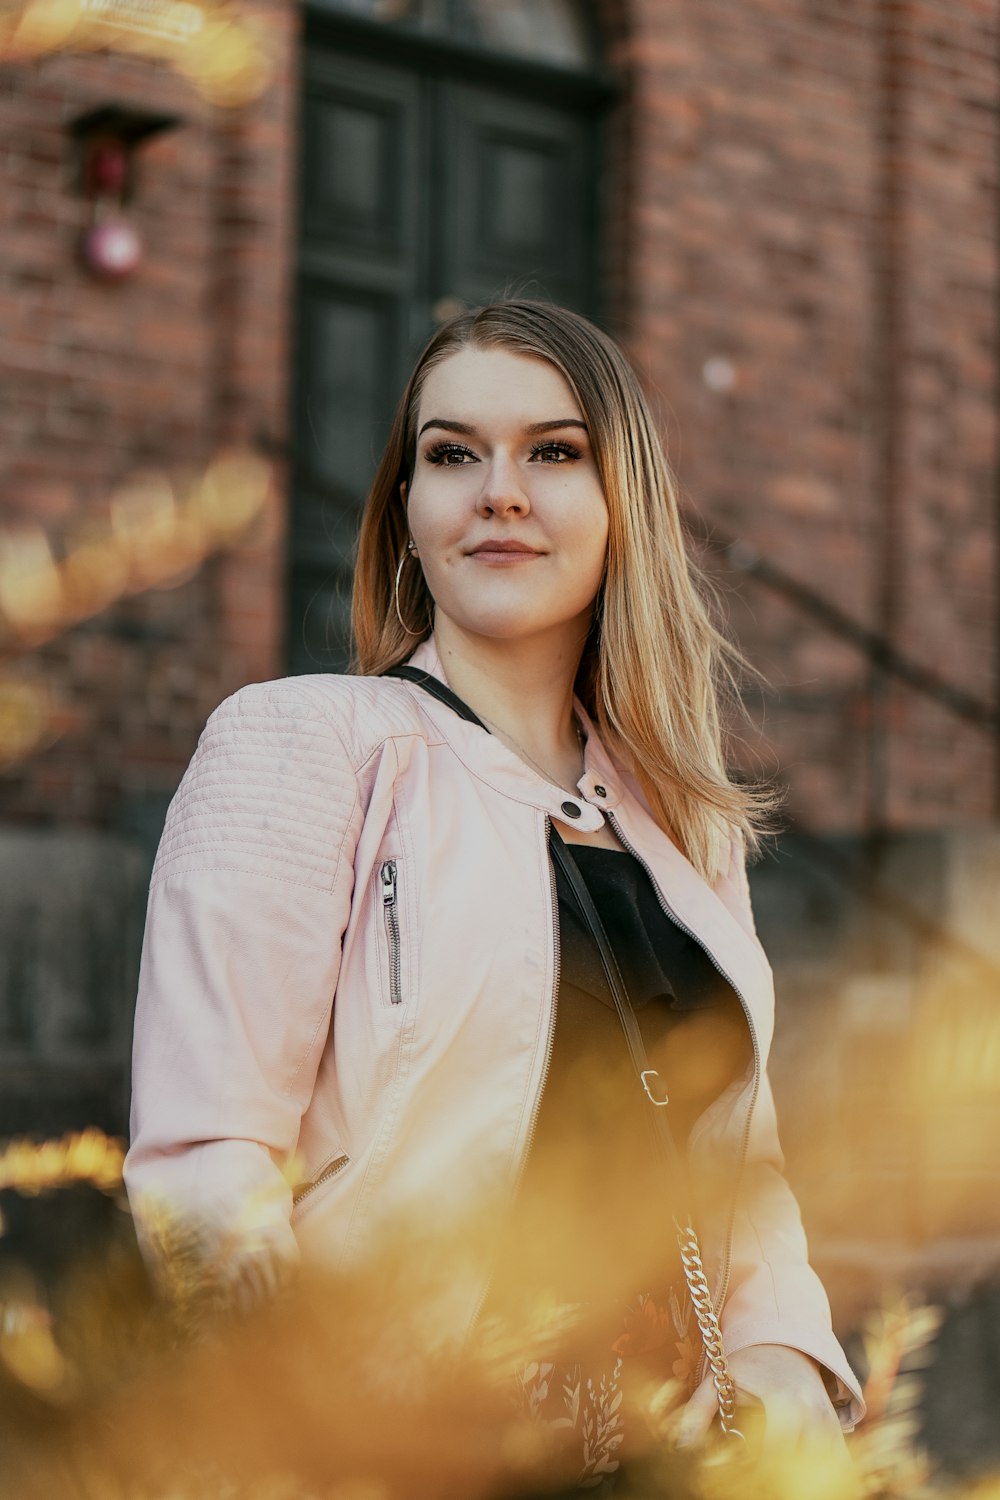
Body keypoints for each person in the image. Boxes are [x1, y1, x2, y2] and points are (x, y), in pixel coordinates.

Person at [123, 299, 866, 1490]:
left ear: (622, 509)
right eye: (452, 453)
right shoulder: (307, 743)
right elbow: (209, 1163)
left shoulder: (683, 818)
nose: (499, 491)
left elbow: (741, 1156)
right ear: (407, 517)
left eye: (554, 453)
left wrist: (783, 1354)